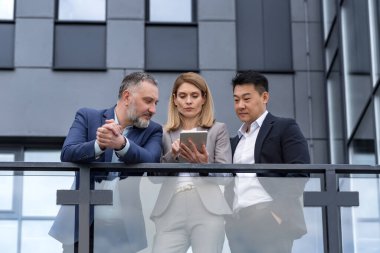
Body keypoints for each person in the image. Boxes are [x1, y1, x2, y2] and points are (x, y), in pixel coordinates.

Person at [49, 72, 162, 253]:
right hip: (82, 225)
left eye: (155, 103)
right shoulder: (87, 116)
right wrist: (99, 145)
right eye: (148, 101)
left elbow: (152, 160)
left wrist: (122, 145)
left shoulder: (154, 131)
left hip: (123, 230)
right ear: (127, 97)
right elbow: (67, 152)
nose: (153, 109)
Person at [224, 70, 310, 253]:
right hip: (237, 226)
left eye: (246, 99)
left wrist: (276, 214)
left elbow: (300, 171)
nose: (240, 105)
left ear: (264, 97)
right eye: (236, 99)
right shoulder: (234, 142)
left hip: (269, 219)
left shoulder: (285, 127)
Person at [150, 72, 232, 253]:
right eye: (182, 96)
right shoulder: (162, 132)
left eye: (194, 96)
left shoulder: (218, 129)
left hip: (207, 207)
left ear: (204, 99)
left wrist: (204, 165)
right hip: (171, 206)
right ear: (175, 100)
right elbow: (154, 178)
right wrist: (173, 155)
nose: (188, 101)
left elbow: (226, 176)